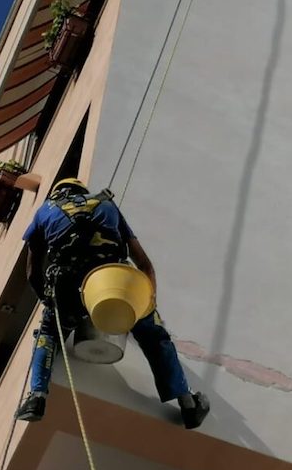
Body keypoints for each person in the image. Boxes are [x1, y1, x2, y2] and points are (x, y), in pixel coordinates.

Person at [16, 178, 210, 429]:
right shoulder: (106, 204)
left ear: (57, 193)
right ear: (82, 191)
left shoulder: (44, 211)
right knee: (154, 336)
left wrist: (48, 300)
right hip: (112, 280)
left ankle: (36, 397)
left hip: (69, 285)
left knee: (48, 334)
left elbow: (32, 271)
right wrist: (147, 301)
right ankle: (188, 404)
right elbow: (144, 262)